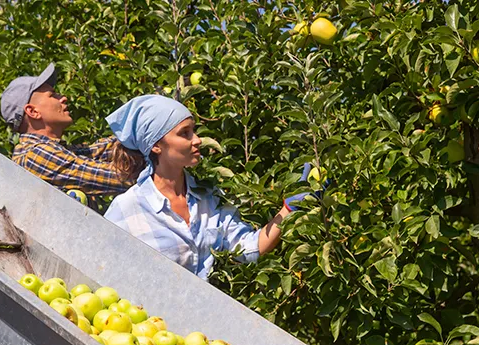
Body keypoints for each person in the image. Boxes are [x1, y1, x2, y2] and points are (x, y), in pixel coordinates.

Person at [104, 95, 324, 280]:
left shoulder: (208, 198)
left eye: (194, 131)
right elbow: (105, 271)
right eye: (185, 133)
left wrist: (289, 208)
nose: (197, 139)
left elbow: (247, 249)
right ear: (156, 146)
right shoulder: (127, 209)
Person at [1, 63, 132, 212]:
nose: (63, 98)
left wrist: (141, 129)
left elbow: (97, 151)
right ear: (33, 111)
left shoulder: (56, 151)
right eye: (52, 95)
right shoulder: (35, 155)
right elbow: (116, 178)